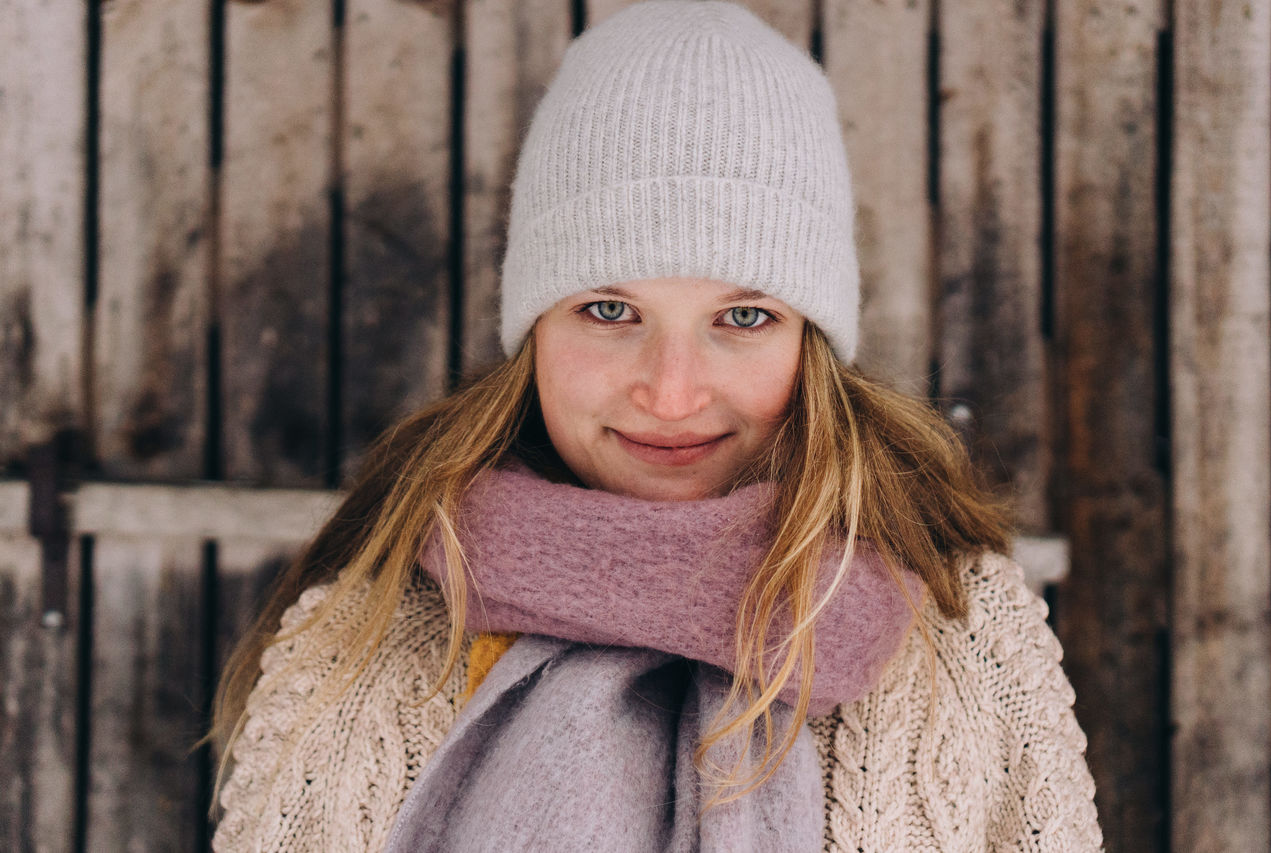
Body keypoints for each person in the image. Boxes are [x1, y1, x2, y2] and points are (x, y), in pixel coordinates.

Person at [208, 2, 1103, 850]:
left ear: (812, 344)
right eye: (608, 309)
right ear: (535, 333)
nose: (672, 393)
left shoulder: (962, 631)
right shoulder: (364, 641)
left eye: (743, 318)